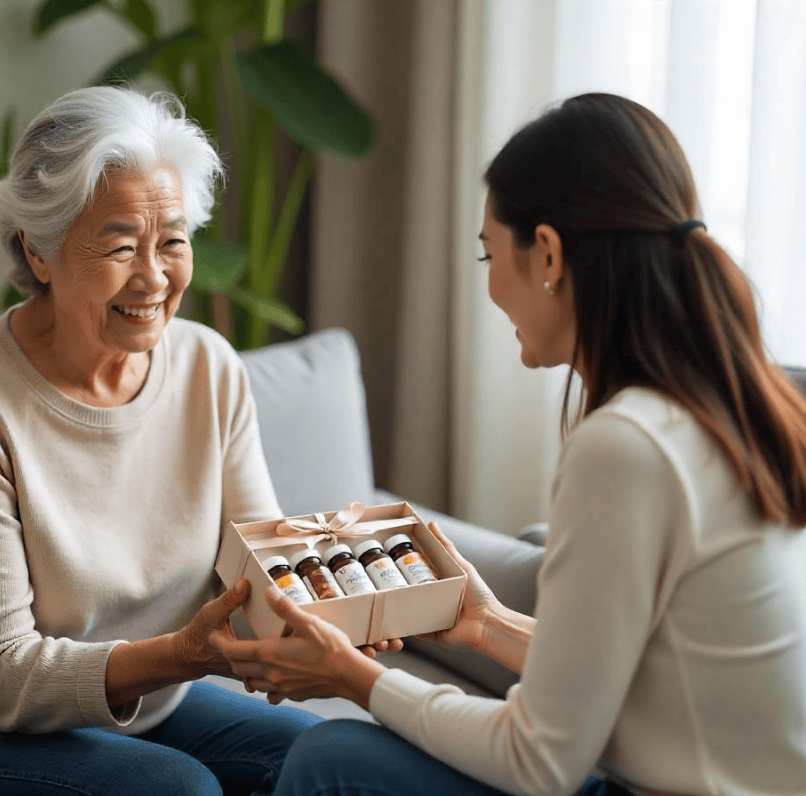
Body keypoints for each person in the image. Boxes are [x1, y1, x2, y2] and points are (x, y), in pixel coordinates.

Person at [211, 93, 806, 796]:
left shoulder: (627, 447)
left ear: (547, 253)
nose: (490, 281)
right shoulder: (725, 406)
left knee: (331, 759)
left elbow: (539, 762)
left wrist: (354, 677)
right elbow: (650, 685)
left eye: (489, 252)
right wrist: (487, 624)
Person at [0, 85, 325, 795]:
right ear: (38, 253)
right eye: (122, 247)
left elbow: (257, 562)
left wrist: (328, 612)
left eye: (172, 241)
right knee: (176, 789)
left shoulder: (208, 366)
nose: (155, 277)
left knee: (331, 755)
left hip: (144, 704)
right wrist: (182, 655)